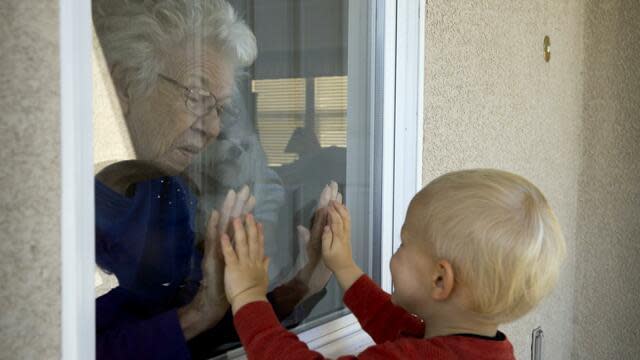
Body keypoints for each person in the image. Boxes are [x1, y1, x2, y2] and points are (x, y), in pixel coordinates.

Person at [92, 0, 333, 358]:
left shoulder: (170, 197)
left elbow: (197, 331)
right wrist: (196, 314)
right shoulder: (56, 204)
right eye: (197, 97)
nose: (215, 127)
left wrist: (298, 287)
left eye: (219, 108)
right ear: (125, 84)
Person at [221, 169, 567, 359]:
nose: (395, 251)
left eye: (404, 243)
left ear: (439, 280)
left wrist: (250, 297)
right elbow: (395, 325)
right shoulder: (480, 348)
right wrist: (344, 267)